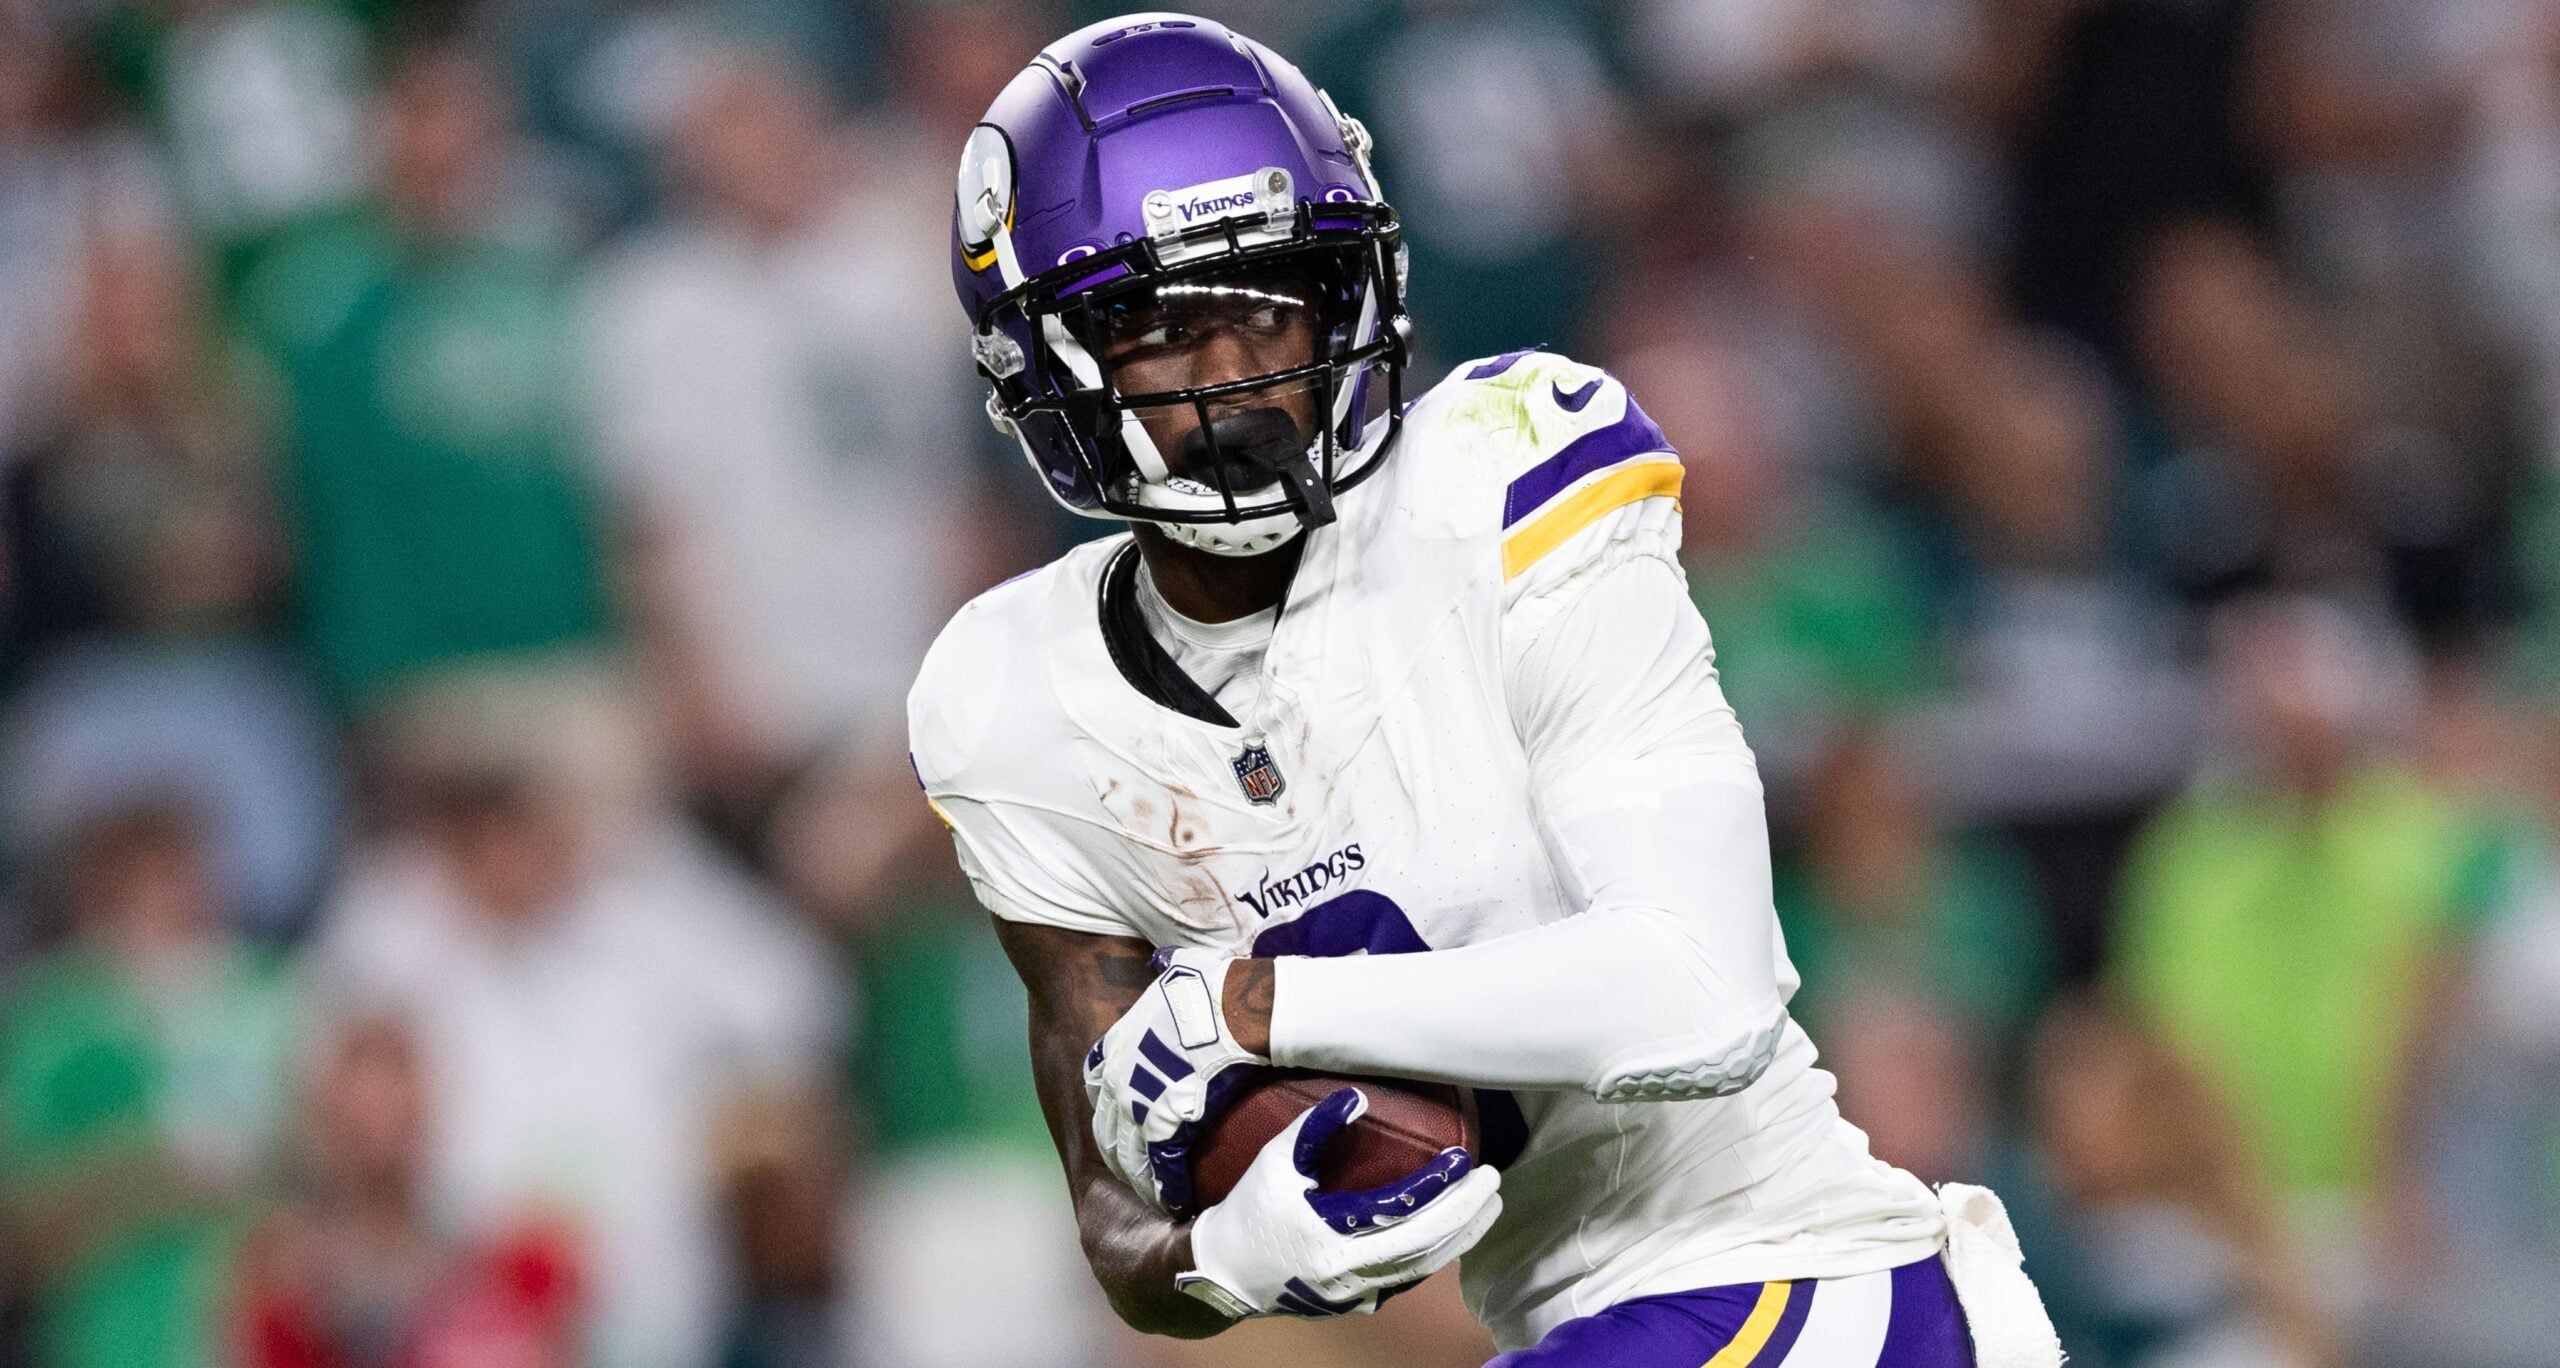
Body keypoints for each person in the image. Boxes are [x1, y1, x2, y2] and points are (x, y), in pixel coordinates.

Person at [906, 16, 2059, 1364]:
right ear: (1042, 366)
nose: (1238, 378)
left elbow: (1701, 992)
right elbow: (1116, 1212)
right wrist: (1229, 1256)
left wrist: (1259, 1006)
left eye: (1271, 303)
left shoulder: (1505, 474)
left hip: (1800, 1282)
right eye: (1164, 327)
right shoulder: (1008, 698)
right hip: (1565, 1321)